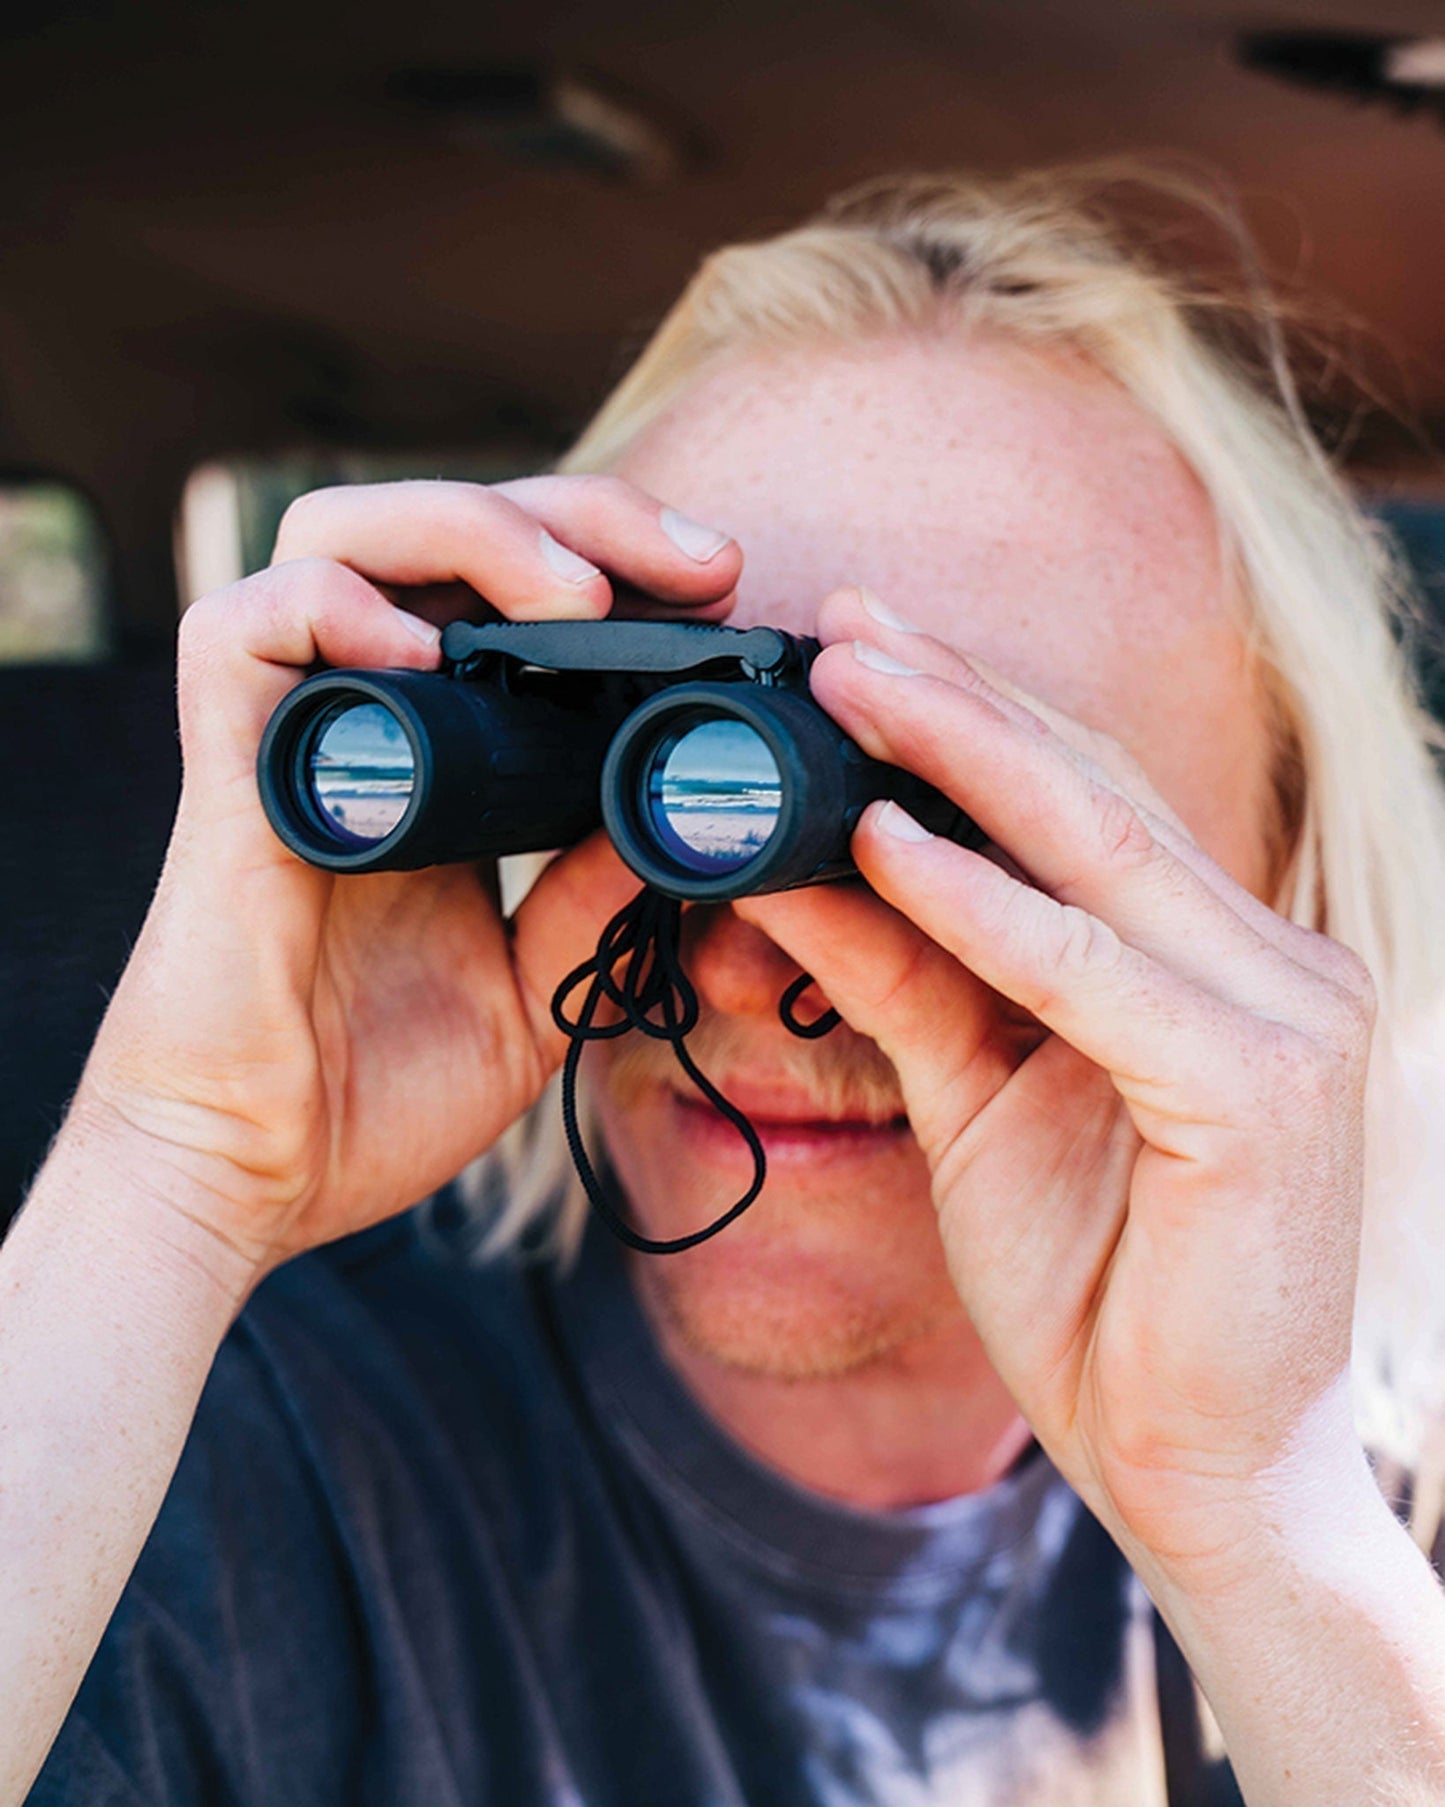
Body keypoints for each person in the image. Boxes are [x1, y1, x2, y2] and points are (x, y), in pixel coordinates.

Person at [6, 167, 1445, 1807]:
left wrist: (1264, 1532)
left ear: (1280, 893)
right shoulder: (199, 1471)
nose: (756, 958)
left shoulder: (1383, 1506)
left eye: (967, 811)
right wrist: (169, 1173)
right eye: (669, 766)